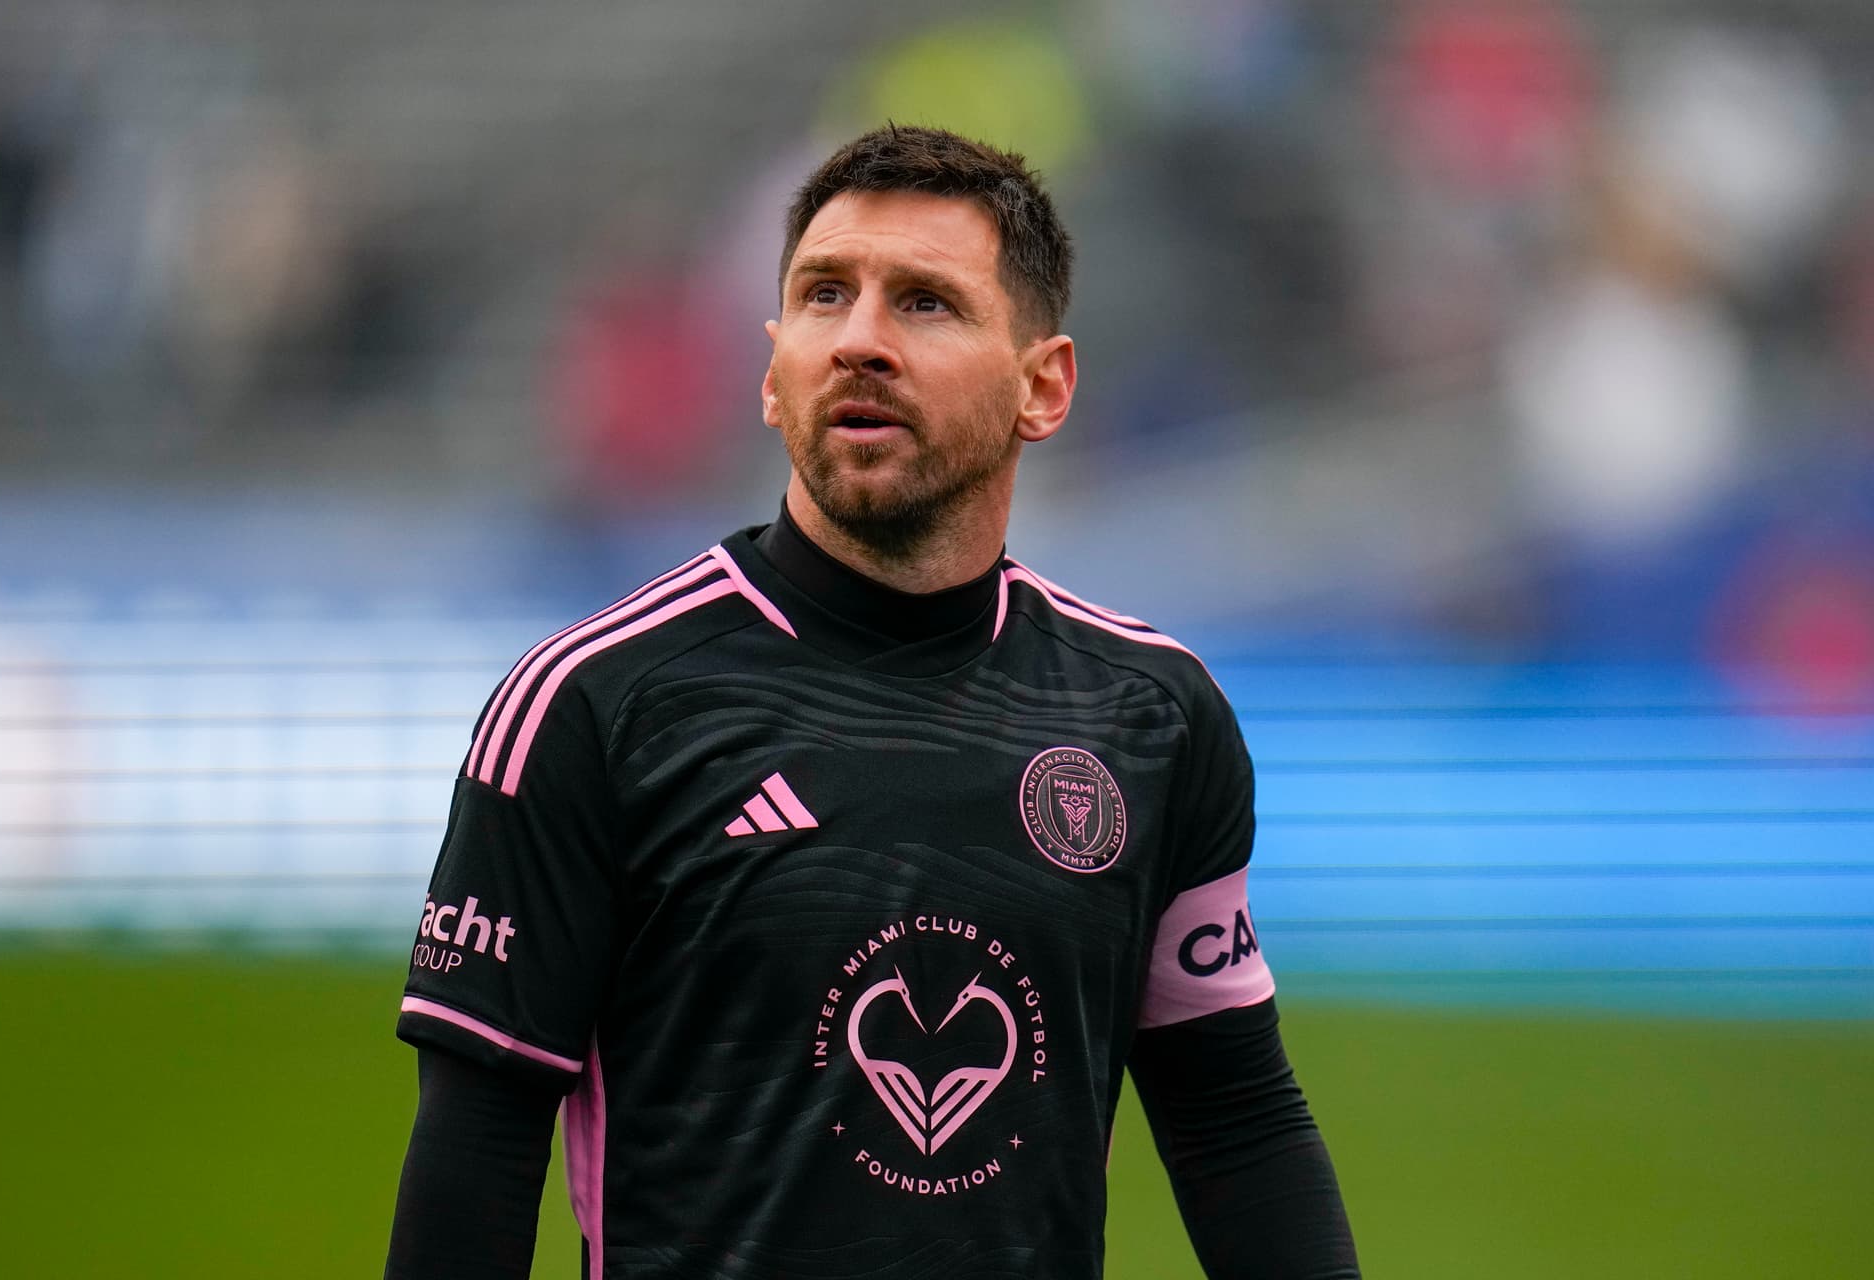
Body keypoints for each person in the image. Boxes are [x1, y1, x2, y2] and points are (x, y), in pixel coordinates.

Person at [385, 124, 1359, 1280]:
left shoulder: (1155, 716)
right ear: (771, 372)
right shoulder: (595, 703)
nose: (858, 340)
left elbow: (1236, 1119)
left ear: (1042, 385)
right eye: (824, 294)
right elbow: (475, 1155)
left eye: (925, 303)